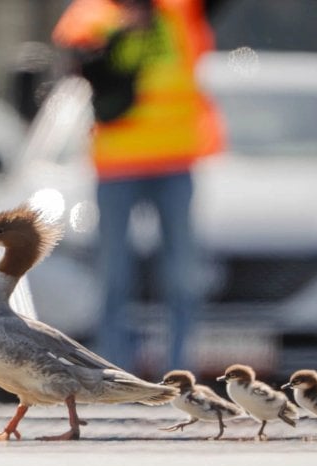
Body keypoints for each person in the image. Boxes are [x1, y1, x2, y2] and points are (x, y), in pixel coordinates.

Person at [52, 0, 224, 373]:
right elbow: (76, 60)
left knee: (181, 276)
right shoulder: (94, 14)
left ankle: (179, 372)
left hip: (175, 160)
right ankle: (114, 371)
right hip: (118, 163)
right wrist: (119, 33)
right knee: (115, 275)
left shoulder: (179, 10)